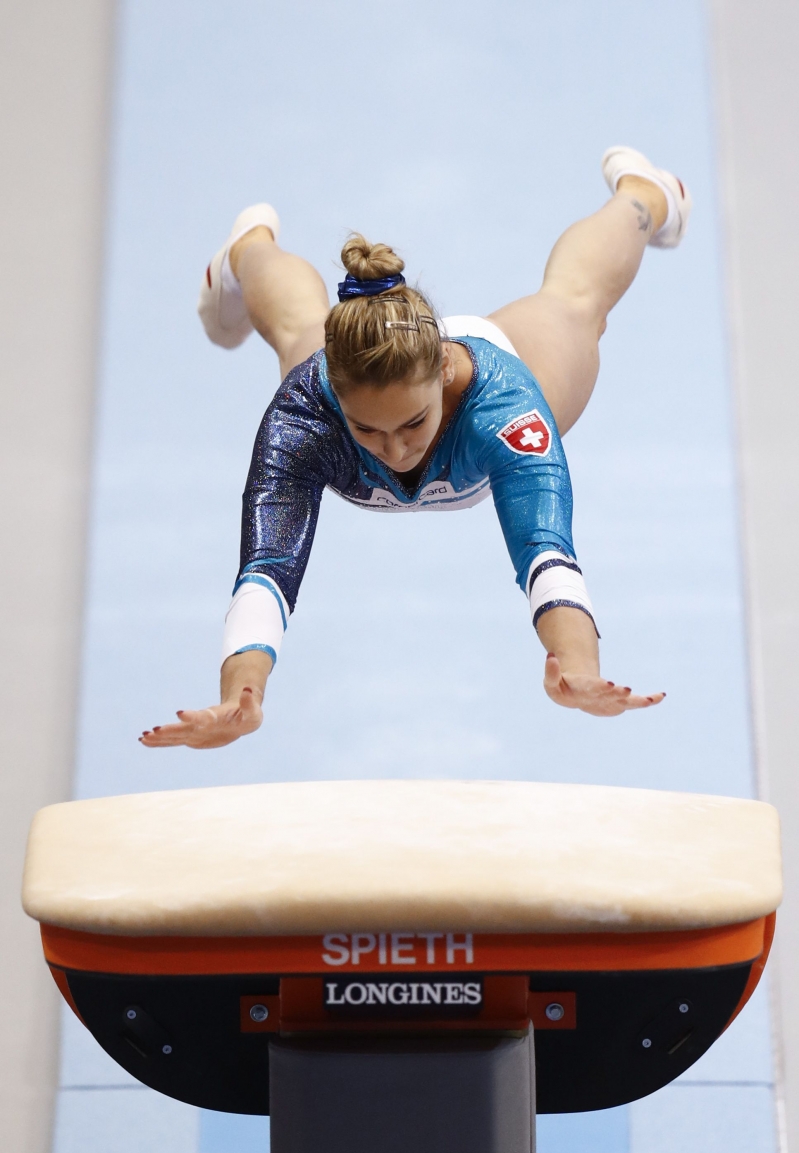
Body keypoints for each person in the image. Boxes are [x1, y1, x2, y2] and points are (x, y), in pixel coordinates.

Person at [141, 146, 691, 750]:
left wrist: (579, 664)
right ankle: (248, 248)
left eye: (412, 423)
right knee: (299, 328)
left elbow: (546, 551)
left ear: (444, 376)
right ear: (335, 398)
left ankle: (645, 194)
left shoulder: (505, 409)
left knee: (576, 305)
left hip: (493, 384)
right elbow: (267, 568)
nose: (395, 449)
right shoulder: (306, 416)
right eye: (369, 430)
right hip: (356, 380)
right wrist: (240, 693)